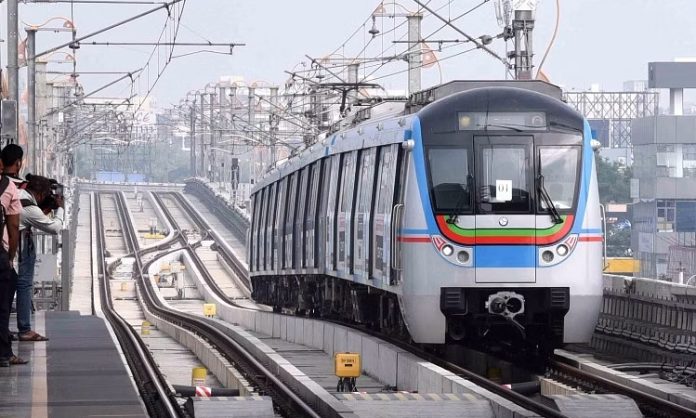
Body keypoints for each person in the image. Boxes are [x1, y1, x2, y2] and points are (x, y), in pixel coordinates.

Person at [15, 174, 64, 342]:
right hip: (19, 249)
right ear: (40, 194)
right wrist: (60, 209)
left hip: (17, 246)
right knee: (24, 285)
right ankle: (25, 329)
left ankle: (15, 329)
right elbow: (55, 227)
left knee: (13, 287)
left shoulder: (20, 194)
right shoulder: (29, 207)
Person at [0, 145, 25, 367]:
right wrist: (10, 257)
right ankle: (4, 353)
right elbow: (14, 226)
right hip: (1, 254)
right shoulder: (10, 188)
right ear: (18, 163)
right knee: (3, 306)